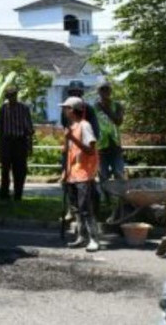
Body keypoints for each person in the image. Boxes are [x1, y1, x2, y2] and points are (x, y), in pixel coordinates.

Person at [61, 96, 101, 252]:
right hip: (73, 174)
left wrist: (71, 138)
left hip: (85, 174)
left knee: (86, 208)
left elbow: (90, 150)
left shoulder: (85, 126)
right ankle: (82, 237)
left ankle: (94, 239)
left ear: (72, 110)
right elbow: (72, 153)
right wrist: (66, 171)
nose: (63, 110)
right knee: (76, 208)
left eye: (65, 108)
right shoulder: (72, 127)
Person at [0, 86, 34, 201]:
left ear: (16, 95)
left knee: (20, 170)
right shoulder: (4, 109)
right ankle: (4, 194)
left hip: (20, 141)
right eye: (9, 95)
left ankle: (18, 194)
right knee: (5, 169)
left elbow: (29, 129)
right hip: (6, 141)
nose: (12, 97)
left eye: (14, 95)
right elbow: (0, 127)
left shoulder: (24, 108)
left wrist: (29, 145)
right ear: (7, 97)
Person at [94, 81, 126, 199]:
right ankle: (107, 199)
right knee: (103, 175)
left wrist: (106, 108)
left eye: (107, 89)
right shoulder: (93, 107)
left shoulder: (117, 105)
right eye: (102, 89)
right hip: (100, 146)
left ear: (110, 91)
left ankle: (122, 199)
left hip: (115, 145)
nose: (105, 92)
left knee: (119, 173)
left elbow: (119, 121)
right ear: (98, 91)